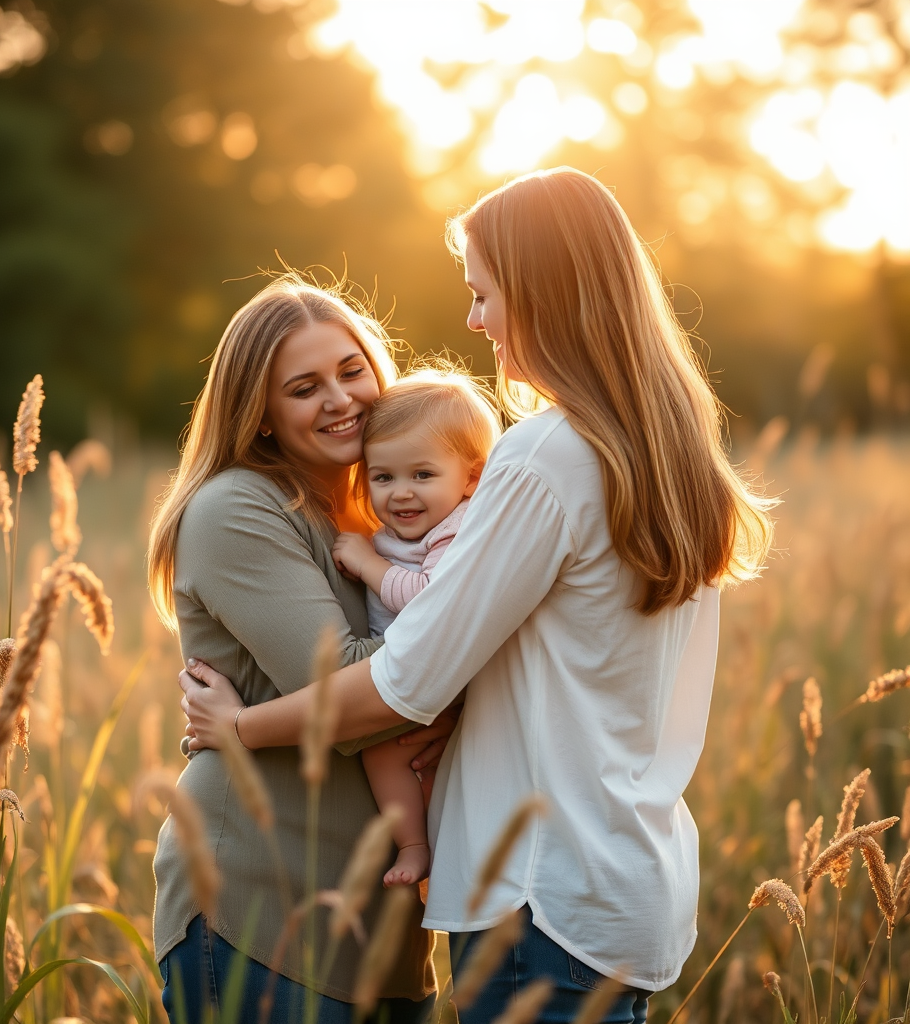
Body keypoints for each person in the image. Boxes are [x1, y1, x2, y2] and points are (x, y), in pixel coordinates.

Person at [180, 167, 775, 1023]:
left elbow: (409, 677)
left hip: (538, 891)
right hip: (619, 878)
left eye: (484, 294)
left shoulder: (541, 458)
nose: (473, 320)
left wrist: (239, 727)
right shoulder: (662, 452)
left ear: (539, 297)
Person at [147, 274, 443, 1024]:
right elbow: (354, 682)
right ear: (262, 414)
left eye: (352, 371)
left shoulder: (388, 508)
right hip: (260, 909)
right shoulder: (235, 507)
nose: (341, 399)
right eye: (305, 388)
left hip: (383, 928)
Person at [331, 369, 501, 887]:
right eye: (383, 477)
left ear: (470, 478)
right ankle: (425, 846)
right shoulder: (408, 526)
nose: (401, 494)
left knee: (389, 752)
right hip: (409, 670)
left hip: (433, 674)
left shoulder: (456, 529)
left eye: (422, 475)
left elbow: (430, 599)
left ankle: (415, 845)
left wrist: (368, 565)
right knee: (404, 757)